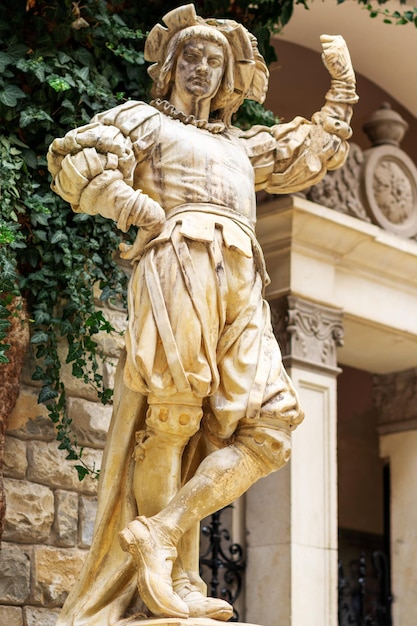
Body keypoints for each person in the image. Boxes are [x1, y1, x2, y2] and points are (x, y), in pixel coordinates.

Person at [48, 4, 358, 624]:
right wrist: (134, 205)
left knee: (271, 427)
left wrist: (343, 90)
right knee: (172, 420)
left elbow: (307, 150)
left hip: (241, 279)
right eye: (191, 56)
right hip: (177, 263)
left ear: (229, 77)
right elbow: (75, 160)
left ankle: (160, 530)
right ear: (168, 66)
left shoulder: (242, 146)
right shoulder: (142, 121)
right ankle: (177, 578)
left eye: (215, 60)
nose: (203, 68)